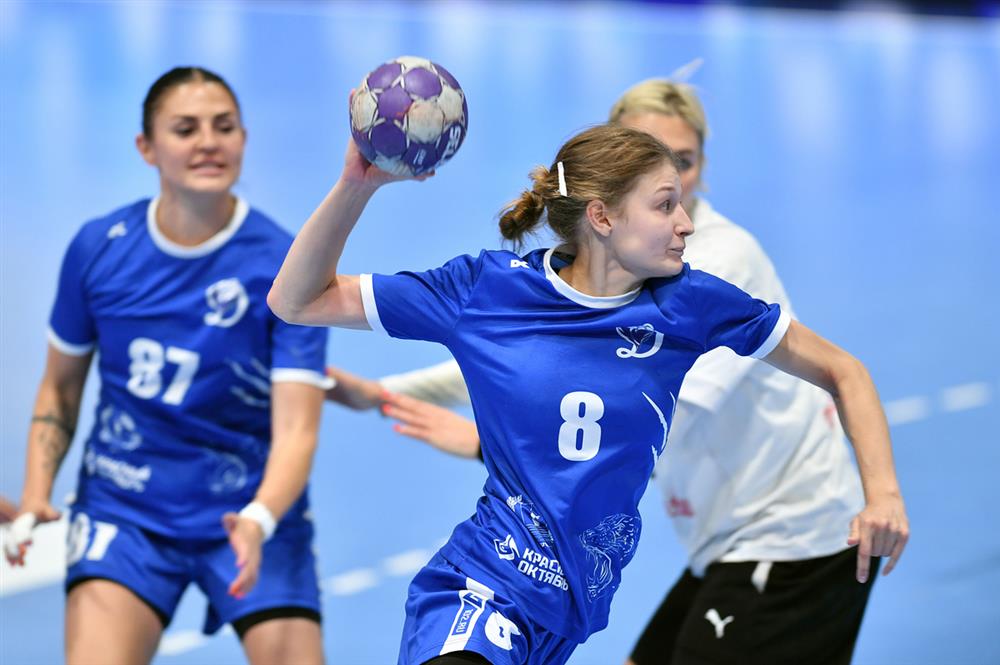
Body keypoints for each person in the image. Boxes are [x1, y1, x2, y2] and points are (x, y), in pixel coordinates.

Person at [268, 120, 908, 665]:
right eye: (665, 205)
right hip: (484, 582)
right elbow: (297, 300)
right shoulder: (485, 290)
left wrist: (882, 494)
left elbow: (843, 370)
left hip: (572, 604)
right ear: (602, 217)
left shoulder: (691, 304)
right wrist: (357, 185)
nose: (686, 224)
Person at [6, 67, 330, 665]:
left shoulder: (287, 264)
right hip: (126, 509)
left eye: (224, 127)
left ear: (243, 138)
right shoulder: (99, 248)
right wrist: (35, 493)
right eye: (185, 129)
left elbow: (297, 429)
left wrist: (259, 519)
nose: (208, 142)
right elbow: (59, 391)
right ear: (146, 148)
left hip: (251, 509)